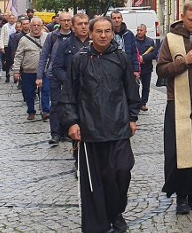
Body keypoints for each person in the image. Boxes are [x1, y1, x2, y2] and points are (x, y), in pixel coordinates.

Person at [58, 16, 141, 233]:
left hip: (119, 126)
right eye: (99, 31)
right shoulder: (79, 59)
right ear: (91, 34)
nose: (103, 35)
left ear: (112, 33)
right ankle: (105, 218)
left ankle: (116, 209)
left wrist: (132, 117)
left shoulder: (121, 58)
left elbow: (131, 90)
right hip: (90, 129)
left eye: (107, 31)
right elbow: (68, 94)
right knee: (99, 178)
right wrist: (72, 122)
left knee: (122, 171)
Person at [156, 1, 192, 215]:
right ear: (183, 16)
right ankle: (181, 196)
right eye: (191, 19)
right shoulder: (171, 39)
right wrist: (184, 62)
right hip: (178, 103)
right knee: (179, 151)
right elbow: (160, 70)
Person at [38, 12, 73, 143]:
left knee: (69, 104)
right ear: (59, 21)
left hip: (70, 76)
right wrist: (39, 75)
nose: (66, 23)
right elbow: (44, 56)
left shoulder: (75, 37)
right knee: (56, 104)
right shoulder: (52, 36)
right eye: (63, 20)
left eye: (68, 20)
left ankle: (66, 131)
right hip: (53, 75)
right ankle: (55, 133)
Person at [12, 18, 47, 120]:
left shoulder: (47, 37)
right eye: (34, 25)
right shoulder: (24, 39)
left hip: (44, 71)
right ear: (30, 27)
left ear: (42, 26)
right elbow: (18, 56)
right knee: (29, 93)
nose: (36, 27)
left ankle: (45, 111)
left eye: (38, 25)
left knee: (45, 91)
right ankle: (31, 111)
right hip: (28, 71)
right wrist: (16, 71)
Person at [133, 24, 159, 112]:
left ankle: (143, 103)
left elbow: (154, 54)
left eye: (141, 30)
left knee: (146, 87)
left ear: (145, 31)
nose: (139, 32)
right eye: (138, 30)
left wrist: (143, 58)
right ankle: (136, 103)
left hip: (146, 68)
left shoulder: (150, 41)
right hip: (135, 68)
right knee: (135, 86)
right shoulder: (133, 41)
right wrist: (137, 59)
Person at [109, 11, 140, 75]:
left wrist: (136, 70)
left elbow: (134, 53)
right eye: (114, 18)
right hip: (112, 67)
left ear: (122, 19)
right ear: (111, 20)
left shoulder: (129, 34)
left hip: (128, 67)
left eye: (118, 18)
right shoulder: (108, 34)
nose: (116, 20)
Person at [0, 13, 17, 82]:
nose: (12, 20)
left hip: (14, 45)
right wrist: (2, 46)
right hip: (7, 45)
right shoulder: (5, 26)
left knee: (14, 61)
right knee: (8, 61)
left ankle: (15, 76)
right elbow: (2, 37)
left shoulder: (16, 26)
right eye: (10, 18)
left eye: (13, 18)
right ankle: (7, 74)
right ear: (8, 19)